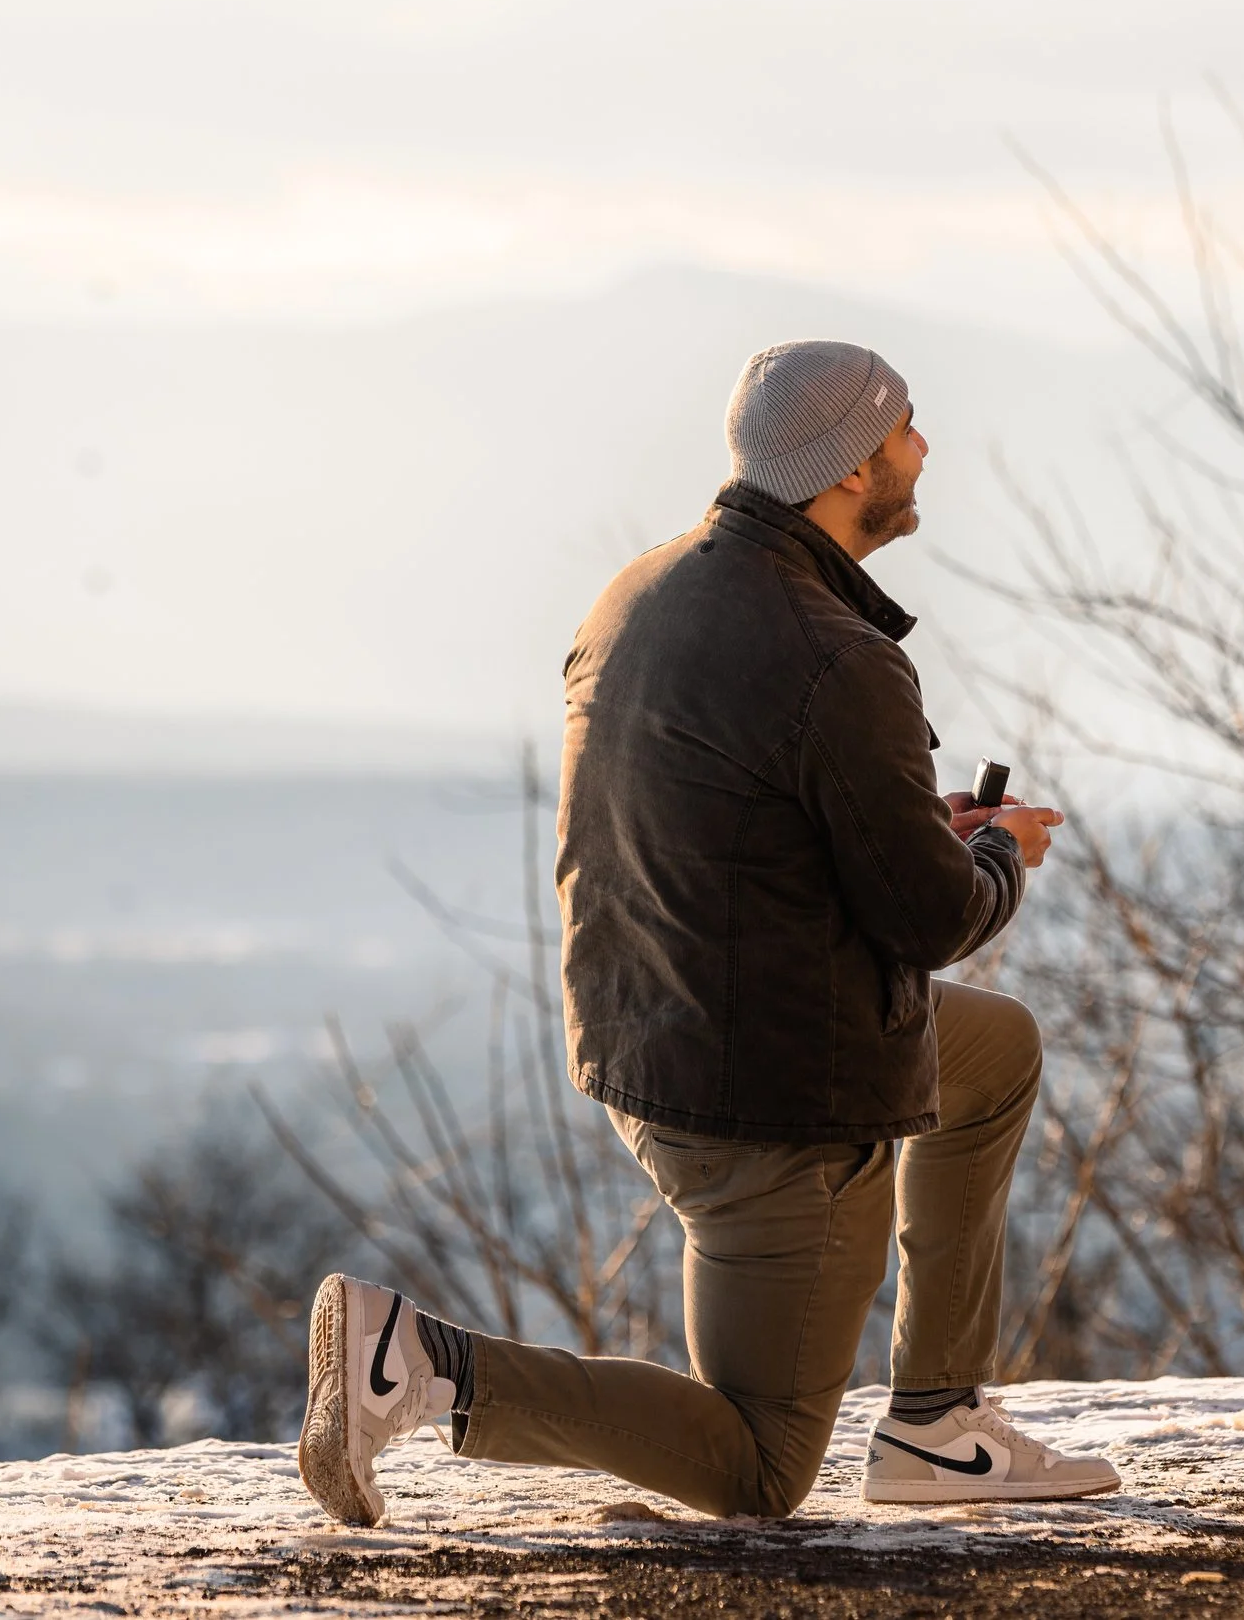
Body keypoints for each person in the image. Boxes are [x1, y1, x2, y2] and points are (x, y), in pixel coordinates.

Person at [295, 340, 1119, 1526]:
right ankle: (418, 1361)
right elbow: (935, 918)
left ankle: (939, 1419)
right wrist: (992, 854)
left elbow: (731, 816)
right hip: (776, 1095)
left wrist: (910, 825)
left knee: (991, 1051)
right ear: (846, 468)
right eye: (905, 433)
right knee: (757, 1465)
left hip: (653, 1033)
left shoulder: (637, 590)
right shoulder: (843, 658)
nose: (926, 450)